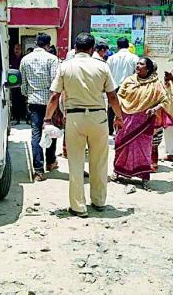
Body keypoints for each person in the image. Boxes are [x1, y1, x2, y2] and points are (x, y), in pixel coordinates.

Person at [43, 32, 123, 218]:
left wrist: (47, 120)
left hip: (75, 118)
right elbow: (112, 96)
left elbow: (55, 96)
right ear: (91, 49)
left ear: (76, 47)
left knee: (76, 163)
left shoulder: (65, 66)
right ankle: (99, 201)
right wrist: (118, 117)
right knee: (99, 161)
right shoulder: (102, 67)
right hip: (99, 118)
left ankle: (78, 206)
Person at [112, 57, 173, 189]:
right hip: (126, 120)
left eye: (141, 64)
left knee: (143, 150)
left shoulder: (155, 84)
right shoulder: (129, 81)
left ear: (148, 69)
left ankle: (144, 176)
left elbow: (165, 100)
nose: (138, 65)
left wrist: (154, 109)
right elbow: (119, 97)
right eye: (137, 63)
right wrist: (117, 115)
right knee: (122, 145)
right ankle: (118, 172)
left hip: (144, 123)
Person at [20, 33, 59, 182]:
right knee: (51, 131)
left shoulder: (25, 59)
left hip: (33, 101)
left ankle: (38, 170)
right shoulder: (52, 59)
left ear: (36, 43)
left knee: (36, 134)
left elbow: (23, 85)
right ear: (48, 45)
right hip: (50, 101)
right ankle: (50, 162)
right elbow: (55, 84)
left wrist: (28, 95)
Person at [107, 37, 139, 135]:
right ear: (128, 45)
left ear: (117, 46)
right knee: (128, 109)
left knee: (112, 109)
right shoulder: (134, 58)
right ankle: (126, 129)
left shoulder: (111, 58)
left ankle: (110, 130)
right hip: (129, 88)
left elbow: (107, 73)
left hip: (114, 87)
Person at [9, 44, 27, 125]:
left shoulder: (24, 58)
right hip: (13, 83)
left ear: (21, 50)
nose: (17, 50)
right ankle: (16, 117)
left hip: (22, 82)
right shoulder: (10, 58)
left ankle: (23, 116)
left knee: (22, 100)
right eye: (16, 48)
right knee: (14, 100)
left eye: (19, 49)